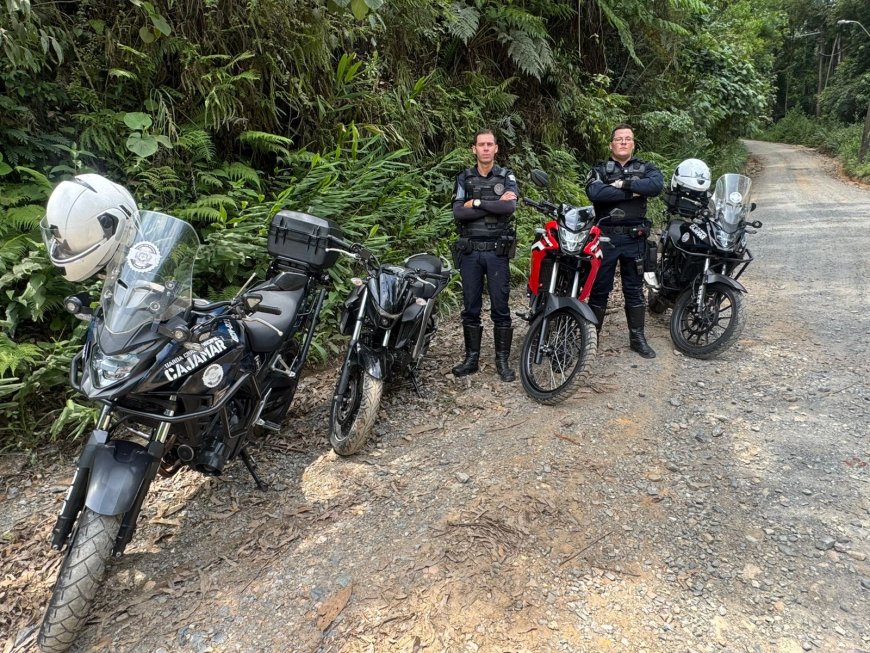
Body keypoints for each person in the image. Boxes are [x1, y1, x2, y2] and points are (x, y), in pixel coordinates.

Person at [585, 123, 664, 358]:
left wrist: (622, 184)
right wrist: (633, 192)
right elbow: (596, 194)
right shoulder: (599, 169)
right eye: (619, 139)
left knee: (634, 290)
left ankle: (637, 338)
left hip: (634, 237)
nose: (623, 142)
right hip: (605, 237)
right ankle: (592, 339)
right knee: (599, 289)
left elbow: (655, 186)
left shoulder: (646, 167)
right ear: (611, 144)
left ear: (633, 144)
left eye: (627, 139)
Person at [450, 129, 518, 382]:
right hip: (470, 252)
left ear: (496, 148)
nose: (486, 148)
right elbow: (459, 213)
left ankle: (502, 360)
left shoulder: (506, 176)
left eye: (490, 144)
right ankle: (471, 359)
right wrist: (494, 206)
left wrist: (476, 203)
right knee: (470, 307)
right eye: (481, 144)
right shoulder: (464, 178)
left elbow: (509, 207)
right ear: (474, 149)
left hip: (497, 252)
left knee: (501, 307)